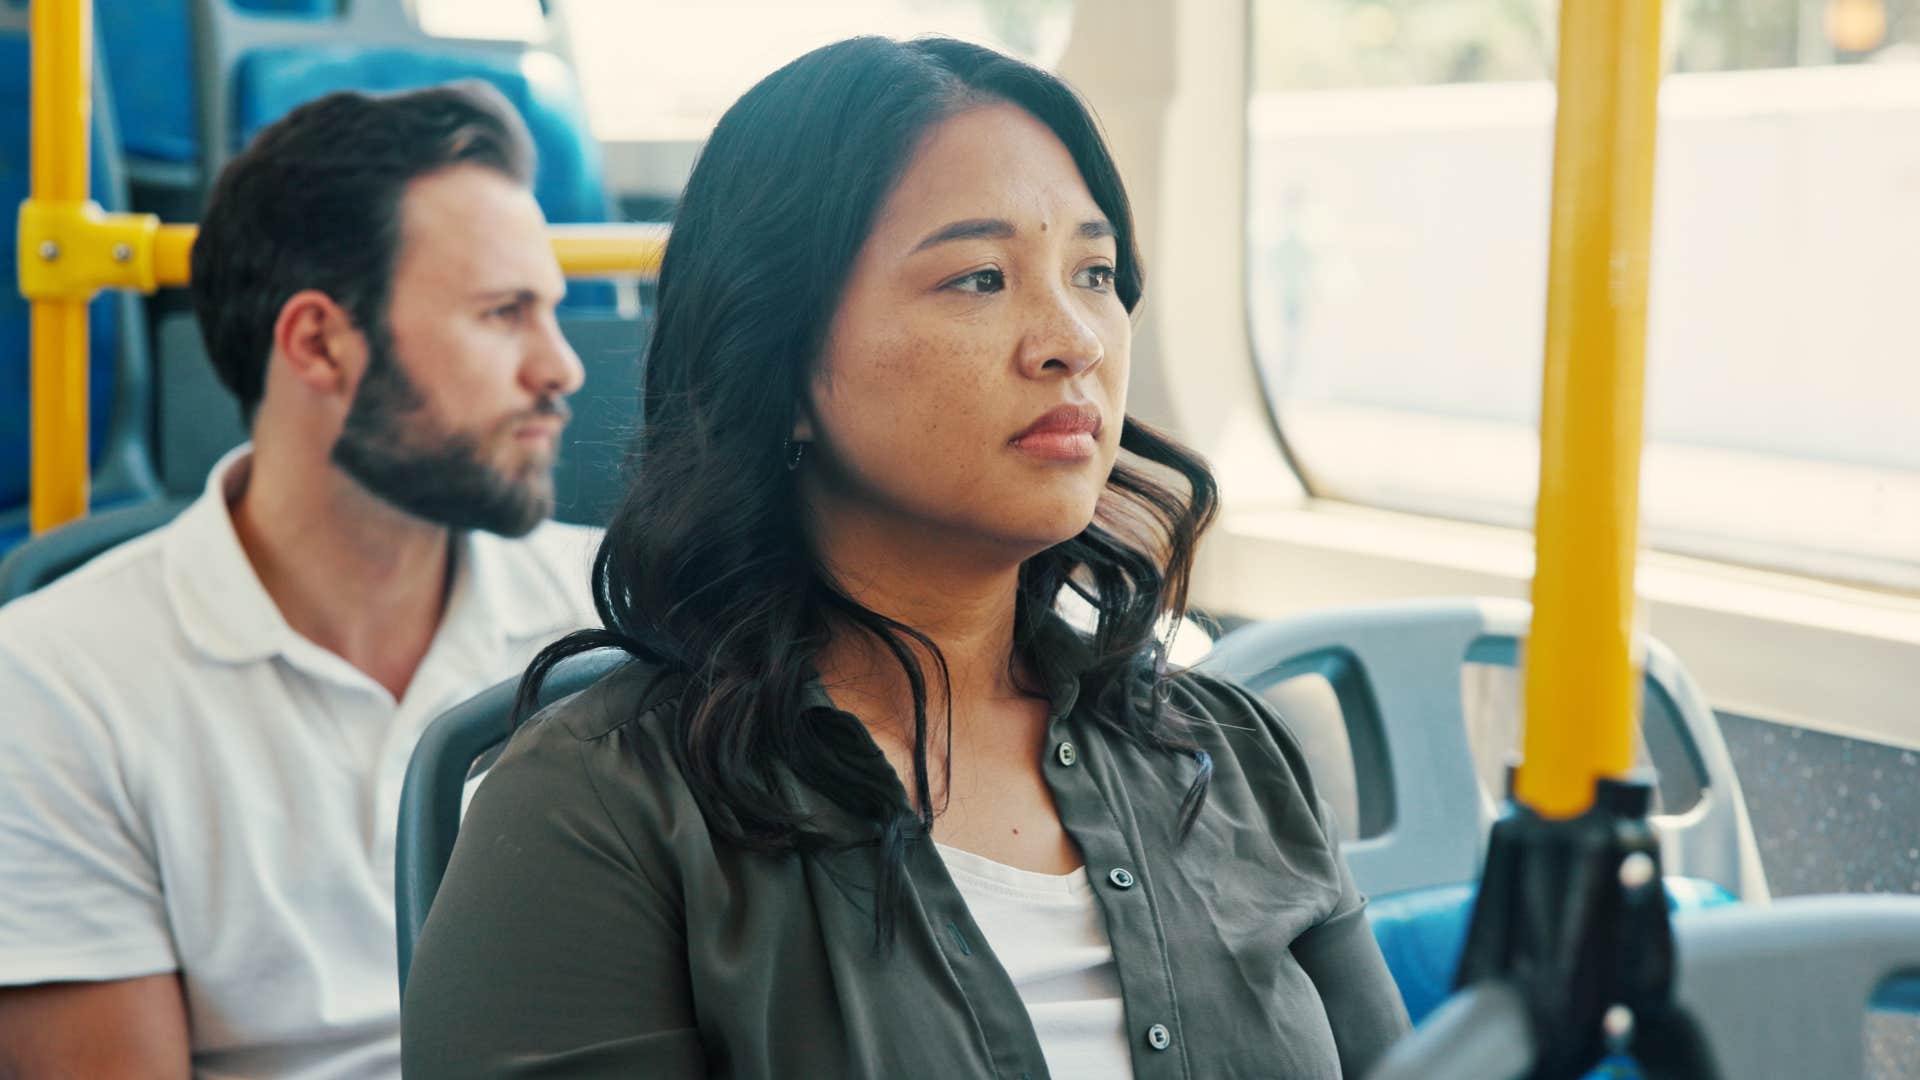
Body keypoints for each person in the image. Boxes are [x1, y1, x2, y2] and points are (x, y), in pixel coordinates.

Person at [402, 37, 1409, 1079]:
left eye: (1096, 272)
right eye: (980, 278)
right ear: (780, 368)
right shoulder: (598, 810)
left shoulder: (1232, 754)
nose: (1075, 339)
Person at [0, 83, 598, 1078]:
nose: (563, 366)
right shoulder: (51, 686)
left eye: (554, 311)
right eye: (504, 314)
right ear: (318, 343)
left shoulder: (619, 614)